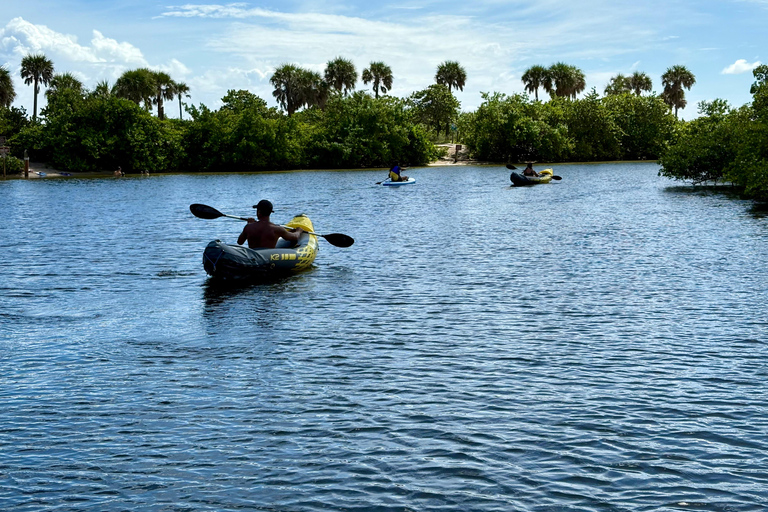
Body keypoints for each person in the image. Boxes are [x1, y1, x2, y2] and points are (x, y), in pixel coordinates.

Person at [237, 199, 304, 249]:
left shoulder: (248, 227)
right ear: (270, 212)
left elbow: (240, 242)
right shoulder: (277, 229)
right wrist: (299, 231)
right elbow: (294, 237)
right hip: (269, 258)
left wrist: (249, 224)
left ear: (259, 212)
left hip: (253, 257)